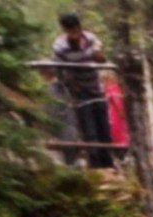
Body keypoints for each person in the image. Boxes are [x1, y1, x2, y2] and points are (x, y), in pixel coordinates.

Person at [47, 16, 116, 167]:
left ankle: (109, 164)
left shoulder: (90, 39)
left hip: (95, 87)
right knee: (90, 130)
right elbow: (58, 70)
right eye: (70, 31)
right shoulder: (60, 46)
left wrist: (98, 56)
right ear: (65, 30)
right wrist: (70, 85)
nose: (74, 34)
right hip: (79, 90)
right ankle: (97, 166)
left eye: (76, 29)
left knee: (104, 128)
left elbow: (101, 59)